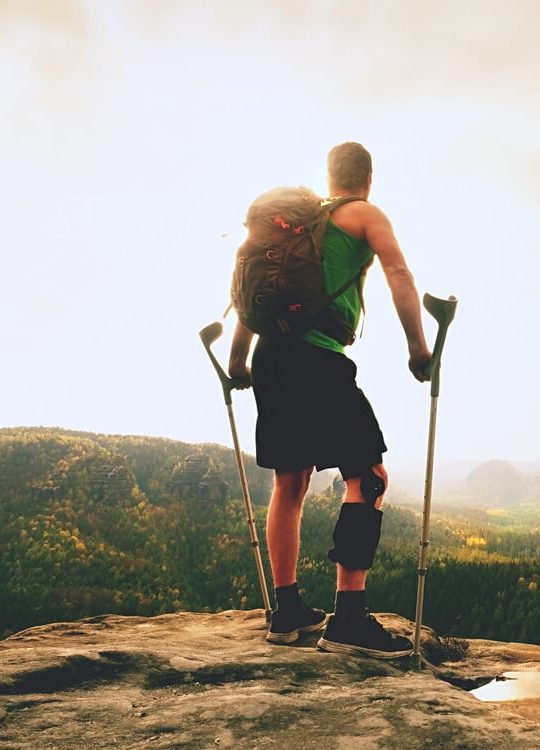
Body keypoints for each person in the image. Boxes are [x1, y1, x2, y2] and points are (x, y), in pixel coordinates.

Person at [227, 142, 432, 659]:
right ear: (366, 178)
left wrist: (238, 362)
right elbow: (399, 275)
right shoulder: (361, 213)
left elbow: (252, 299)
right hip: (318, 358)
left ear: (329, 175)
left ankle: (288, 610)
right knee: (368, 476)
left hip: (272, 357)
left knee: (289, 481)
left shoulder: (293, 225)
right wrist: (418, 347)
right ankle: (349, 618)